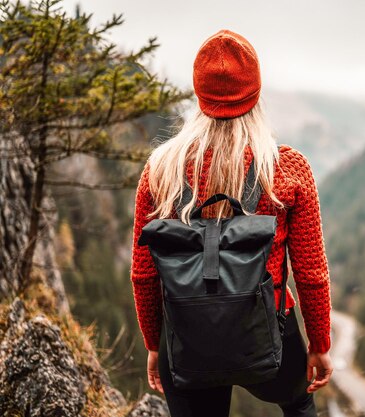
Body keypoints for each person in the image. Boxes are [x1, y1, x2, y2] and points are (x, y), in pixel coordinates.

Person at [129, 29, 333, 417]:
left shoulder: (160, 171)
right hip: (268, 332)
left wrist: (155, 343)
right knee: (298, 402)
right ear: (255, 94)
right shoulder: (286, 168)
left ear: (199, 94)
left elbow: (144, 274)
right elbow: (310, 273)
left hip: (187, 339)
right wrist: (319, 344)